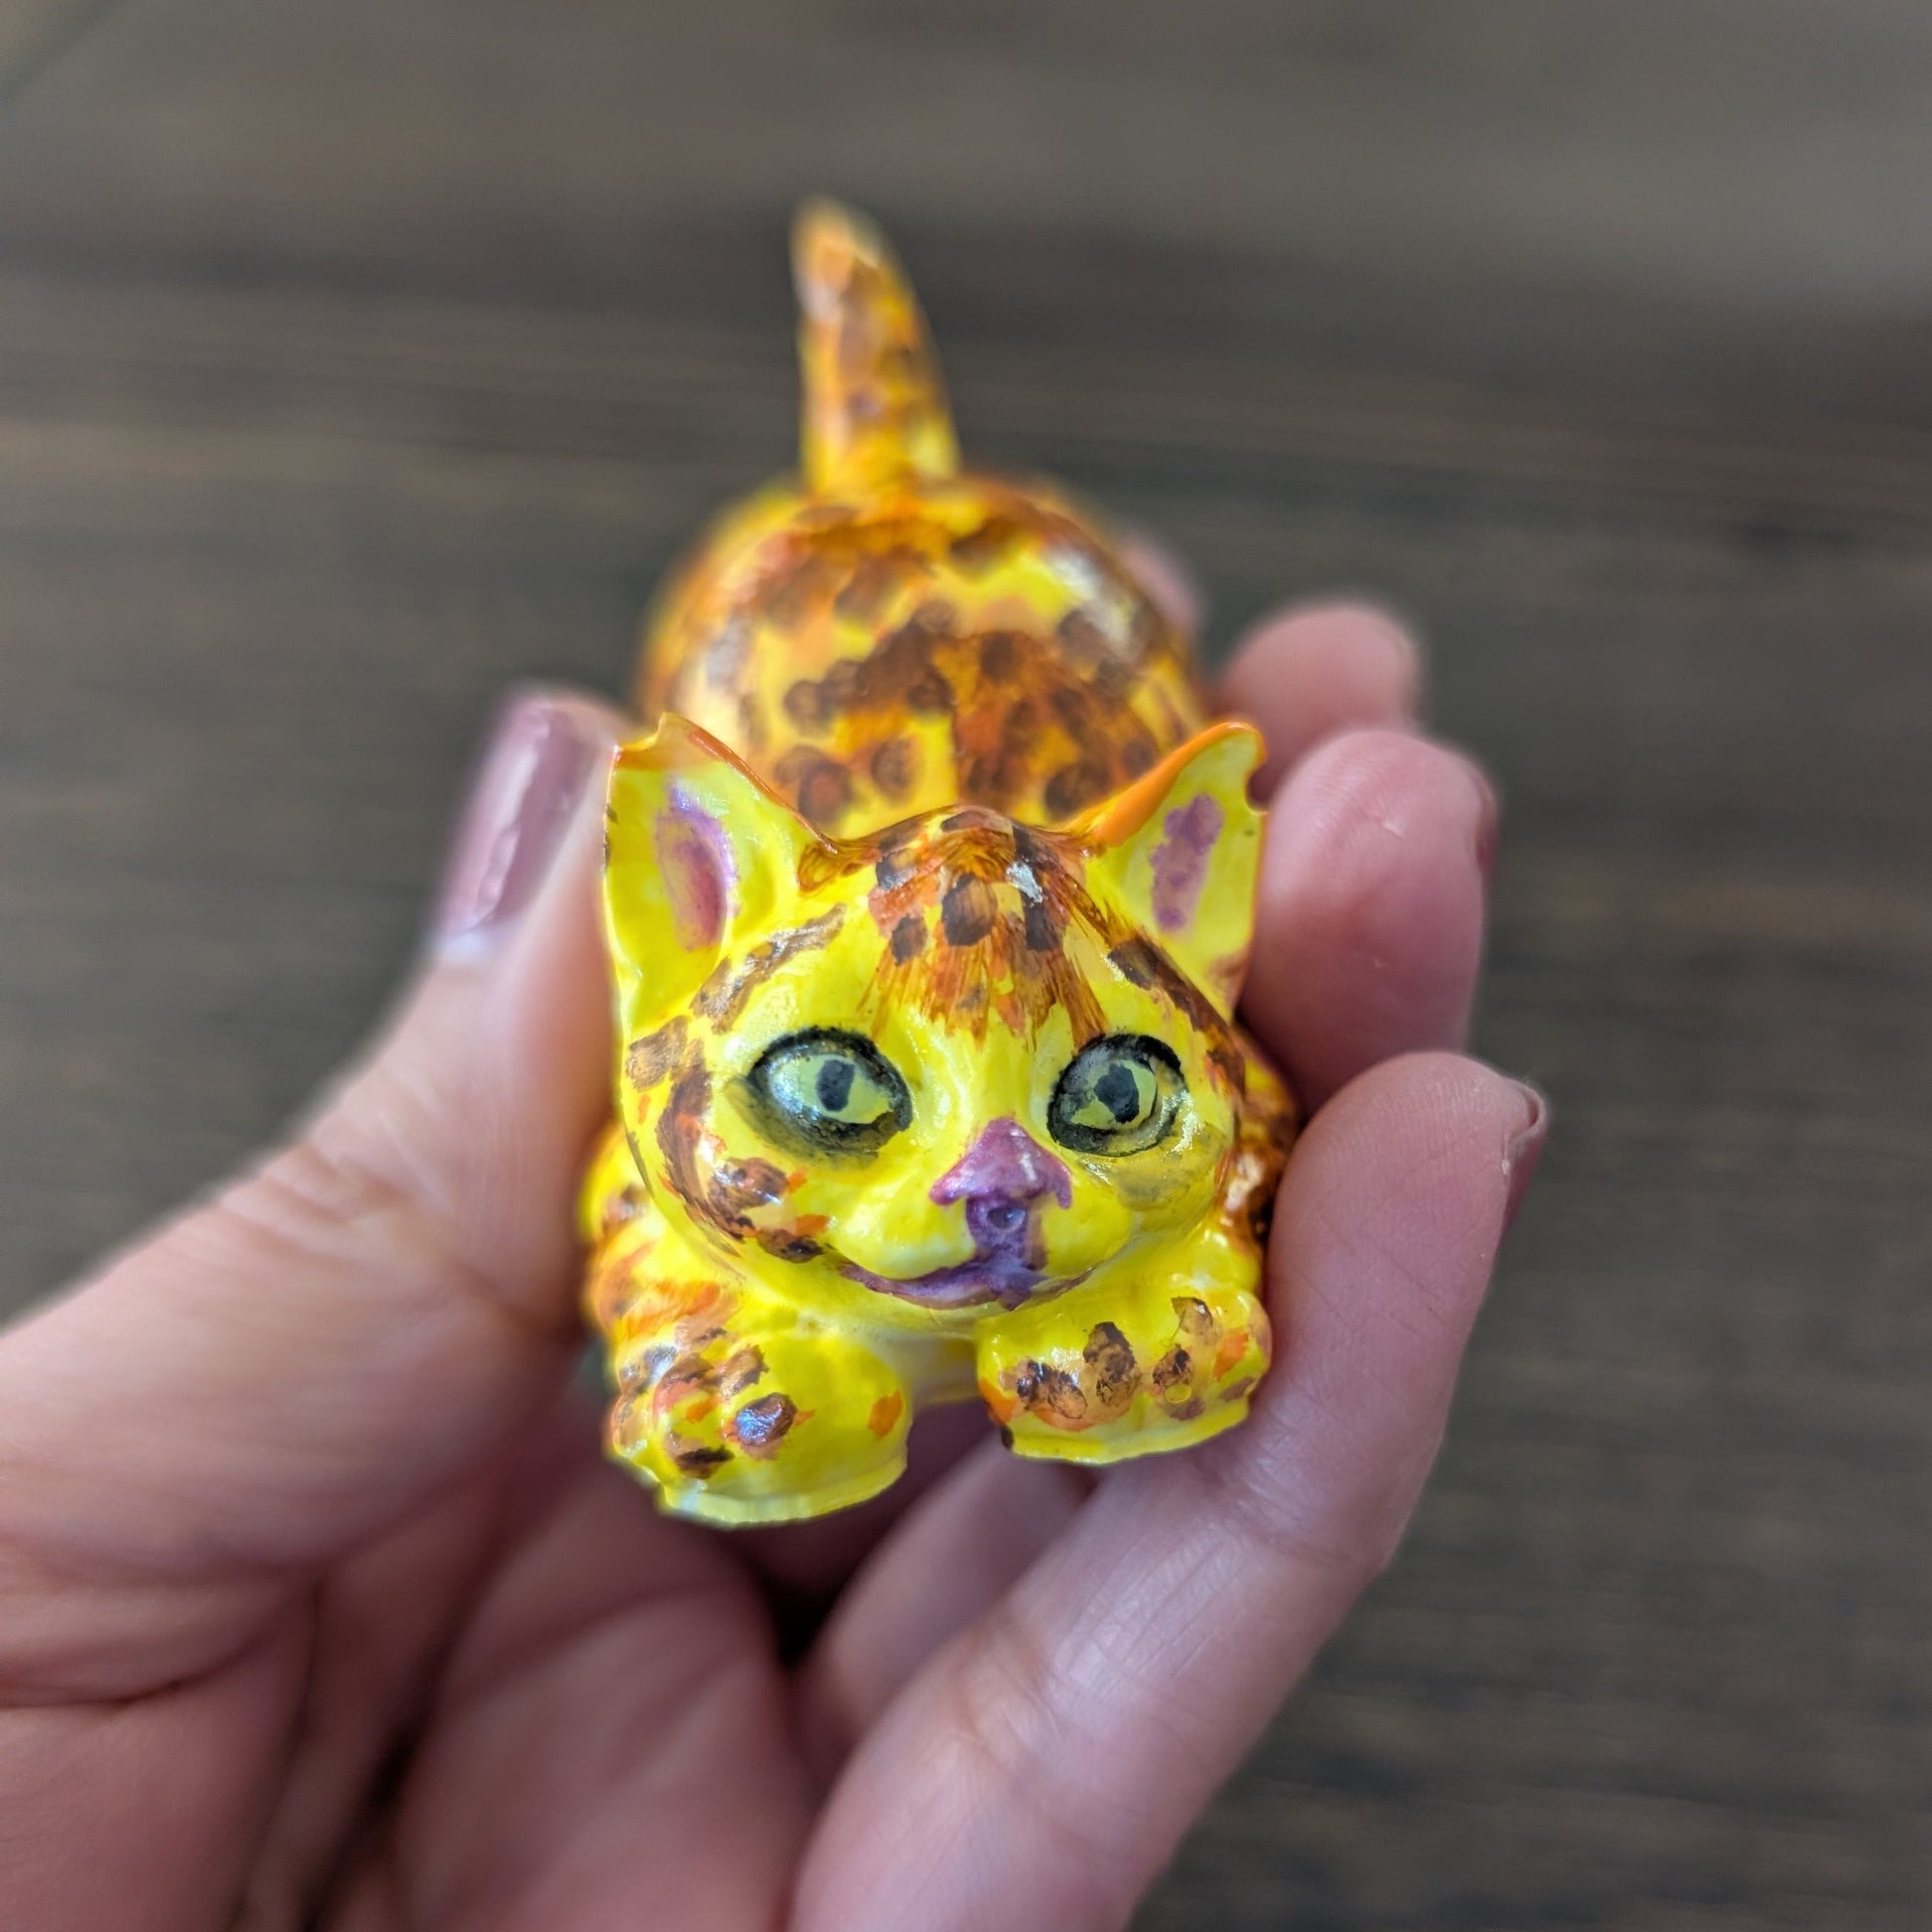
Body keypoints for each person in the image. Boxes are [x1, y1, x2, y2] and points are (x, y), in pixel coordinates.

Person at [0, 580, 1545, 1932]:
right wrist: (702, 1342)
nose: (990, 1178)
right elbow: (641, 1219)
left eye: (1103, 1091)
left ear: (1194, 928)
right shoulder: (689, 1060)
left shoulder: (1199, 1057)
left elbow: (1249, 1116)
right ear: (684, 923)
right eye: (837, 1093)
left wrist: (1183, 1275)